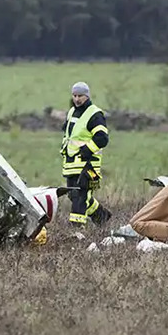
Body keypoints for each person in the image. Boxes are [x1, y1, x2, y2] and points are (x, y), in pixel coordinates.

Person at [60, 81, 112, 227]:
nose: (77, 99)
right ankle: (101, 217)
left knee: (80, 196)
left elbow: (102, 138)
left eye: (80, 96)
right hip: (72, 165)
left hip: (89, 166)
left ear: (87, 96)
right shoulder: (71, 112)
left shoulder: (95, 114)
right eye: (75, 95)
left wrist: (87, 150)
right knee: (72, 195)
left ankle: (76, 229)